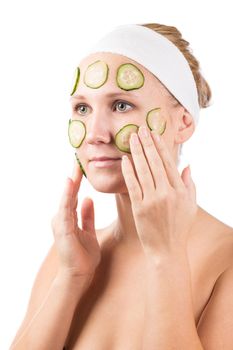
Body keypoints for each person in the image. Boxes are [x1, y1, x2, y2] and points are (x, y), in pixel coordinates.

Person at [10, 22, 233, 350]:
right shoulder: (70, 256)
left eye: (121, 105)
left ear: (183, 122)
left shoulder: (225, 261)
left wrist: (166, 257)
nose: (95, 133)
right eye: (82, 108)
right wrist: (71, 279)